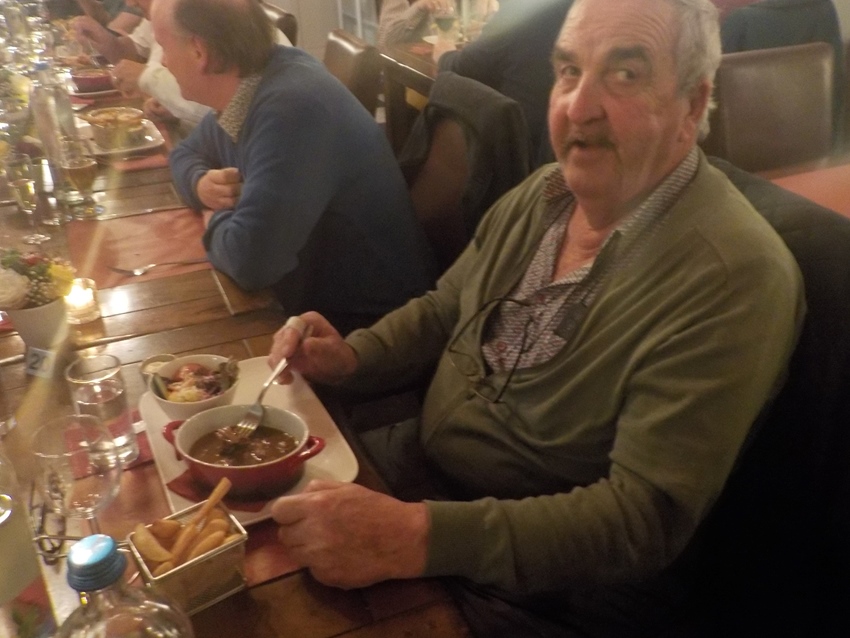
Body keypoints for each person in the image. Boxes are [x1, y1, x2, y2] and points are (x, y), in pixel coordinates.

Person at [266, 0, 806, 634]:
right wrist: (353, 357)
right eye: (569, 70)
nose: (578, 107)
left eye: (625, 74)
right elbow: (444, 308)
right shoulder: (545, 192)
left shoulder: (731, 275)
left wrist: (414, 536)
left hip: (542, 590)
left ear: (692, 104)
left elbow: (640, 519)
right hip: (416, 479)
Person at [155, 0, 436, 334]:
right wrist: (200, 184)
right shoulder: (253, 81)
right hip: (304, 307)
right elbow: (185, 153)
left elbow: (250, 262)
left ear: (198, 51)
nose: (162, 61)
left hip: (367, 334)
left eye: (164, 46)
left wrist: (212, 215)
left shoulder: (291, 108)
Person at [437, 0, 574, 168]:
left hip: (520, 152)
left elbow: (465, 67)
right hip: (567, 143)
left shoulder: (521, 6)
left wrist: (444, 55)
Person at [73, 4, 211, 128]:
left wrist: (146, 77)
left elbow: (214, 101)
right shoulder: (157, 12)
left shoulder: (200, 12)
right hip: (181, 131)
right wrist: (104, 39)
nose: (130, 3)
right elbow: (136, 50)